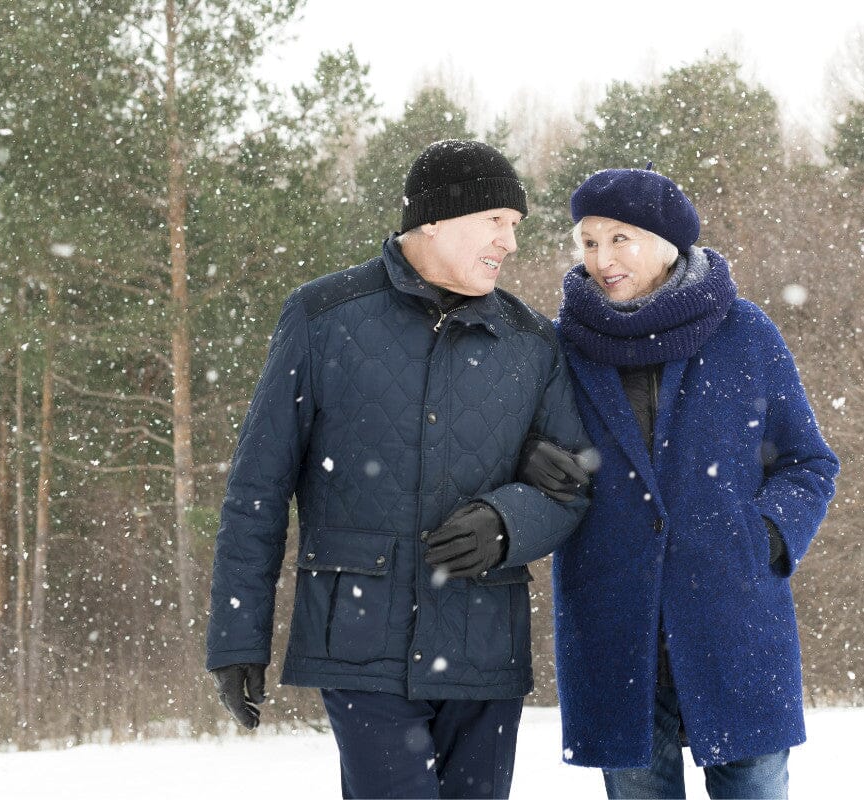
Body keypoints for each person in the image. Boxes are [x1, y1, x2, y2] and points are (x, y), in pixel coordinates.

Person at [205, 140, 590, 799]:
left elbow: (570, 485)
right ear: (435, 219)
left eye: (516, 227)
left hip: (483, 641)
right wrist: (237, 634)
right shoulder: (323, 318)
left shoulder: (531, 343)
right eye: (496, 221)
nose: (510, 243)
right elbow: (258, 488)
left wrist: (505, 523)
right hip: (360, 639)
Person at [536, 167, 839, 799]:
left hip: (735, 627)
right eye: (588, 241)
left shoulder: (746, 334)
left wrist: (764, 539)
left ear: (669, 243)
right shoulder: (562, 348)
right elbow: (534, 460)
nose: (601, 258)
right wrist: (530, 467)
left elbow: (808, 462)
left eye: (620, 239)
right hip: (615, 634)